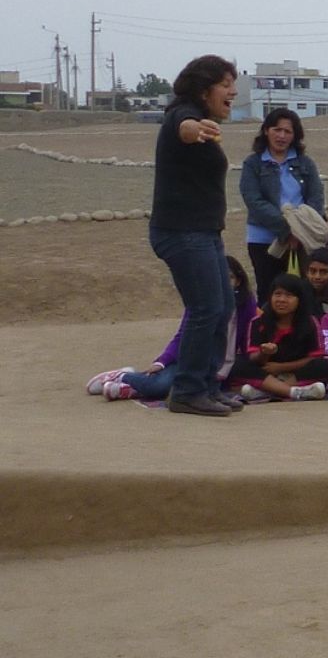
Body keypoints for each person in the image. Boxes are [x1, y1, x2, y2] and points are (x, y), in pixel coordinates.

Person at [148, 54, 242, 417]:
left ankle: (207, 386)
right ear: (205, 90)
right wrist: (195, 129)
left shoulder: (197, 115)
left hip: (202, 232)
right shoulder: (183, 114)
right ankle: (186, 390)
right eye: (226, 85)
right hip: (182, 232)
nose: (233, 91)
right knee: (206, 310)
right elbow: (183, 127)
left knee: (223, 308)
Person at [87, 256, 257, 403]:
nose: (223, 283)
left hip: (219, 369)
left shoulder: (247, 304)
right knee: (161, 386)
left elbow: (248, 340)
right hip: (189, 360)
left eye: (229, 278)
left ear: (238, 281)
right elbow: (183, 335)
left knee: (188, 391)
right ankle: (123, 376)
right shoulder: (201, 302)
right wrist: (161, 362)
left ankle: (130, 389)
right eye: (218, 278)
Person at [239, 107, 328, 302]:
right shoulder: (253, 164)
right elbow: (253, 200)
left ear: (295, 135)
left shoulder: (305, 163)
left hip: (304, 240)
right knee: (270, 293)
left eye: (287, 131)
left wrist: (301, 230)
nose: (281, 136)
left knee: (306, 294)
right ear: (266, 131)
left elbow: (316, 196)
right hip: (263, 239)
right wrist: (286, 231)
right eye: (276, 129)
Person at [231, 274, 328, 400]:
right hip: (266, 372)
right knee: (237, 364)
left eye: (289, 295)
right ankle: (293, 392)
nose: (282, 300)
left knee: (324, 366)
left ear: (299, 299)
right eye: (278, 294)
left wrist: (281, 368)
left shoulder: (310, 322)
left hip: (294, 372)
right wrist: (264, 353)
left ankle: (269, 391)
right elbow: (254, 358)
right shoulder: (258, 322)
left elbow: (315, 356)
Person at [303, 248, 328, 314]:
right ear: (306, 272)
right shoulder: (300, 295)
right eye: (313, 271)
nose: (317, 277)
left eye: (324, 272)